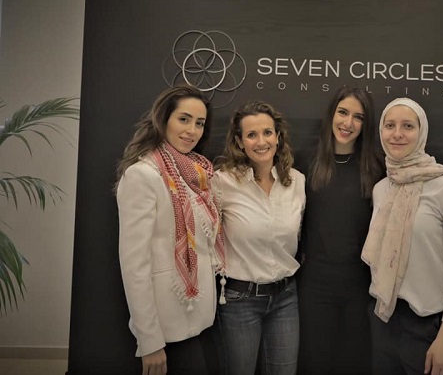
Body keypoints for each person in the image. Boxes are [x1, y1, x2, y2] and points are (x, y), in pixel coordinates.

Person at [361, 98, 443, 375]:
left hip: (435, 327)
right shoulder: (382, 188)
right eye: (390, 125)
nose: (397, 133)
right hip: (385, 320)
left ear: (421, 132)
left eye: (408, 126)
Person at [115, 85, 224, 375]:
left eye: (199, 123)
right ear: (163, 119)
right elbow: (134, 265)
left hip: (197, 320)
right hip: (163, 327)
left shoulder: (199, 175)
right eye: (184, 119)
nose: (192, 130)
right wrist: (149, 341)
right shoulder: (142, 175)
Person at [296, 86, 385, 375]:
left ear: (366, 124)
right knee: (315, 362)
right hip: (314, 285)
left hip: (361, 288)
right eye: (343, 112)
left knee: (354, 362)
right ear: (331, 114)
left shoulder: (377, 168)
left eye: (358, 117)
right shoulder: (305, 161)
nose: (348, 123)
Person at [213, 100, 306, 375]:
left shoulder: (297, 182)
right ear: (240, 142)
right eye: (251, 135)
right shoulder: (222, 182)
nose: (261, 141)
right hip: (239, 300)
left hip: (286, 298)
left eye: (267, 132)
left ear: (278, 136)